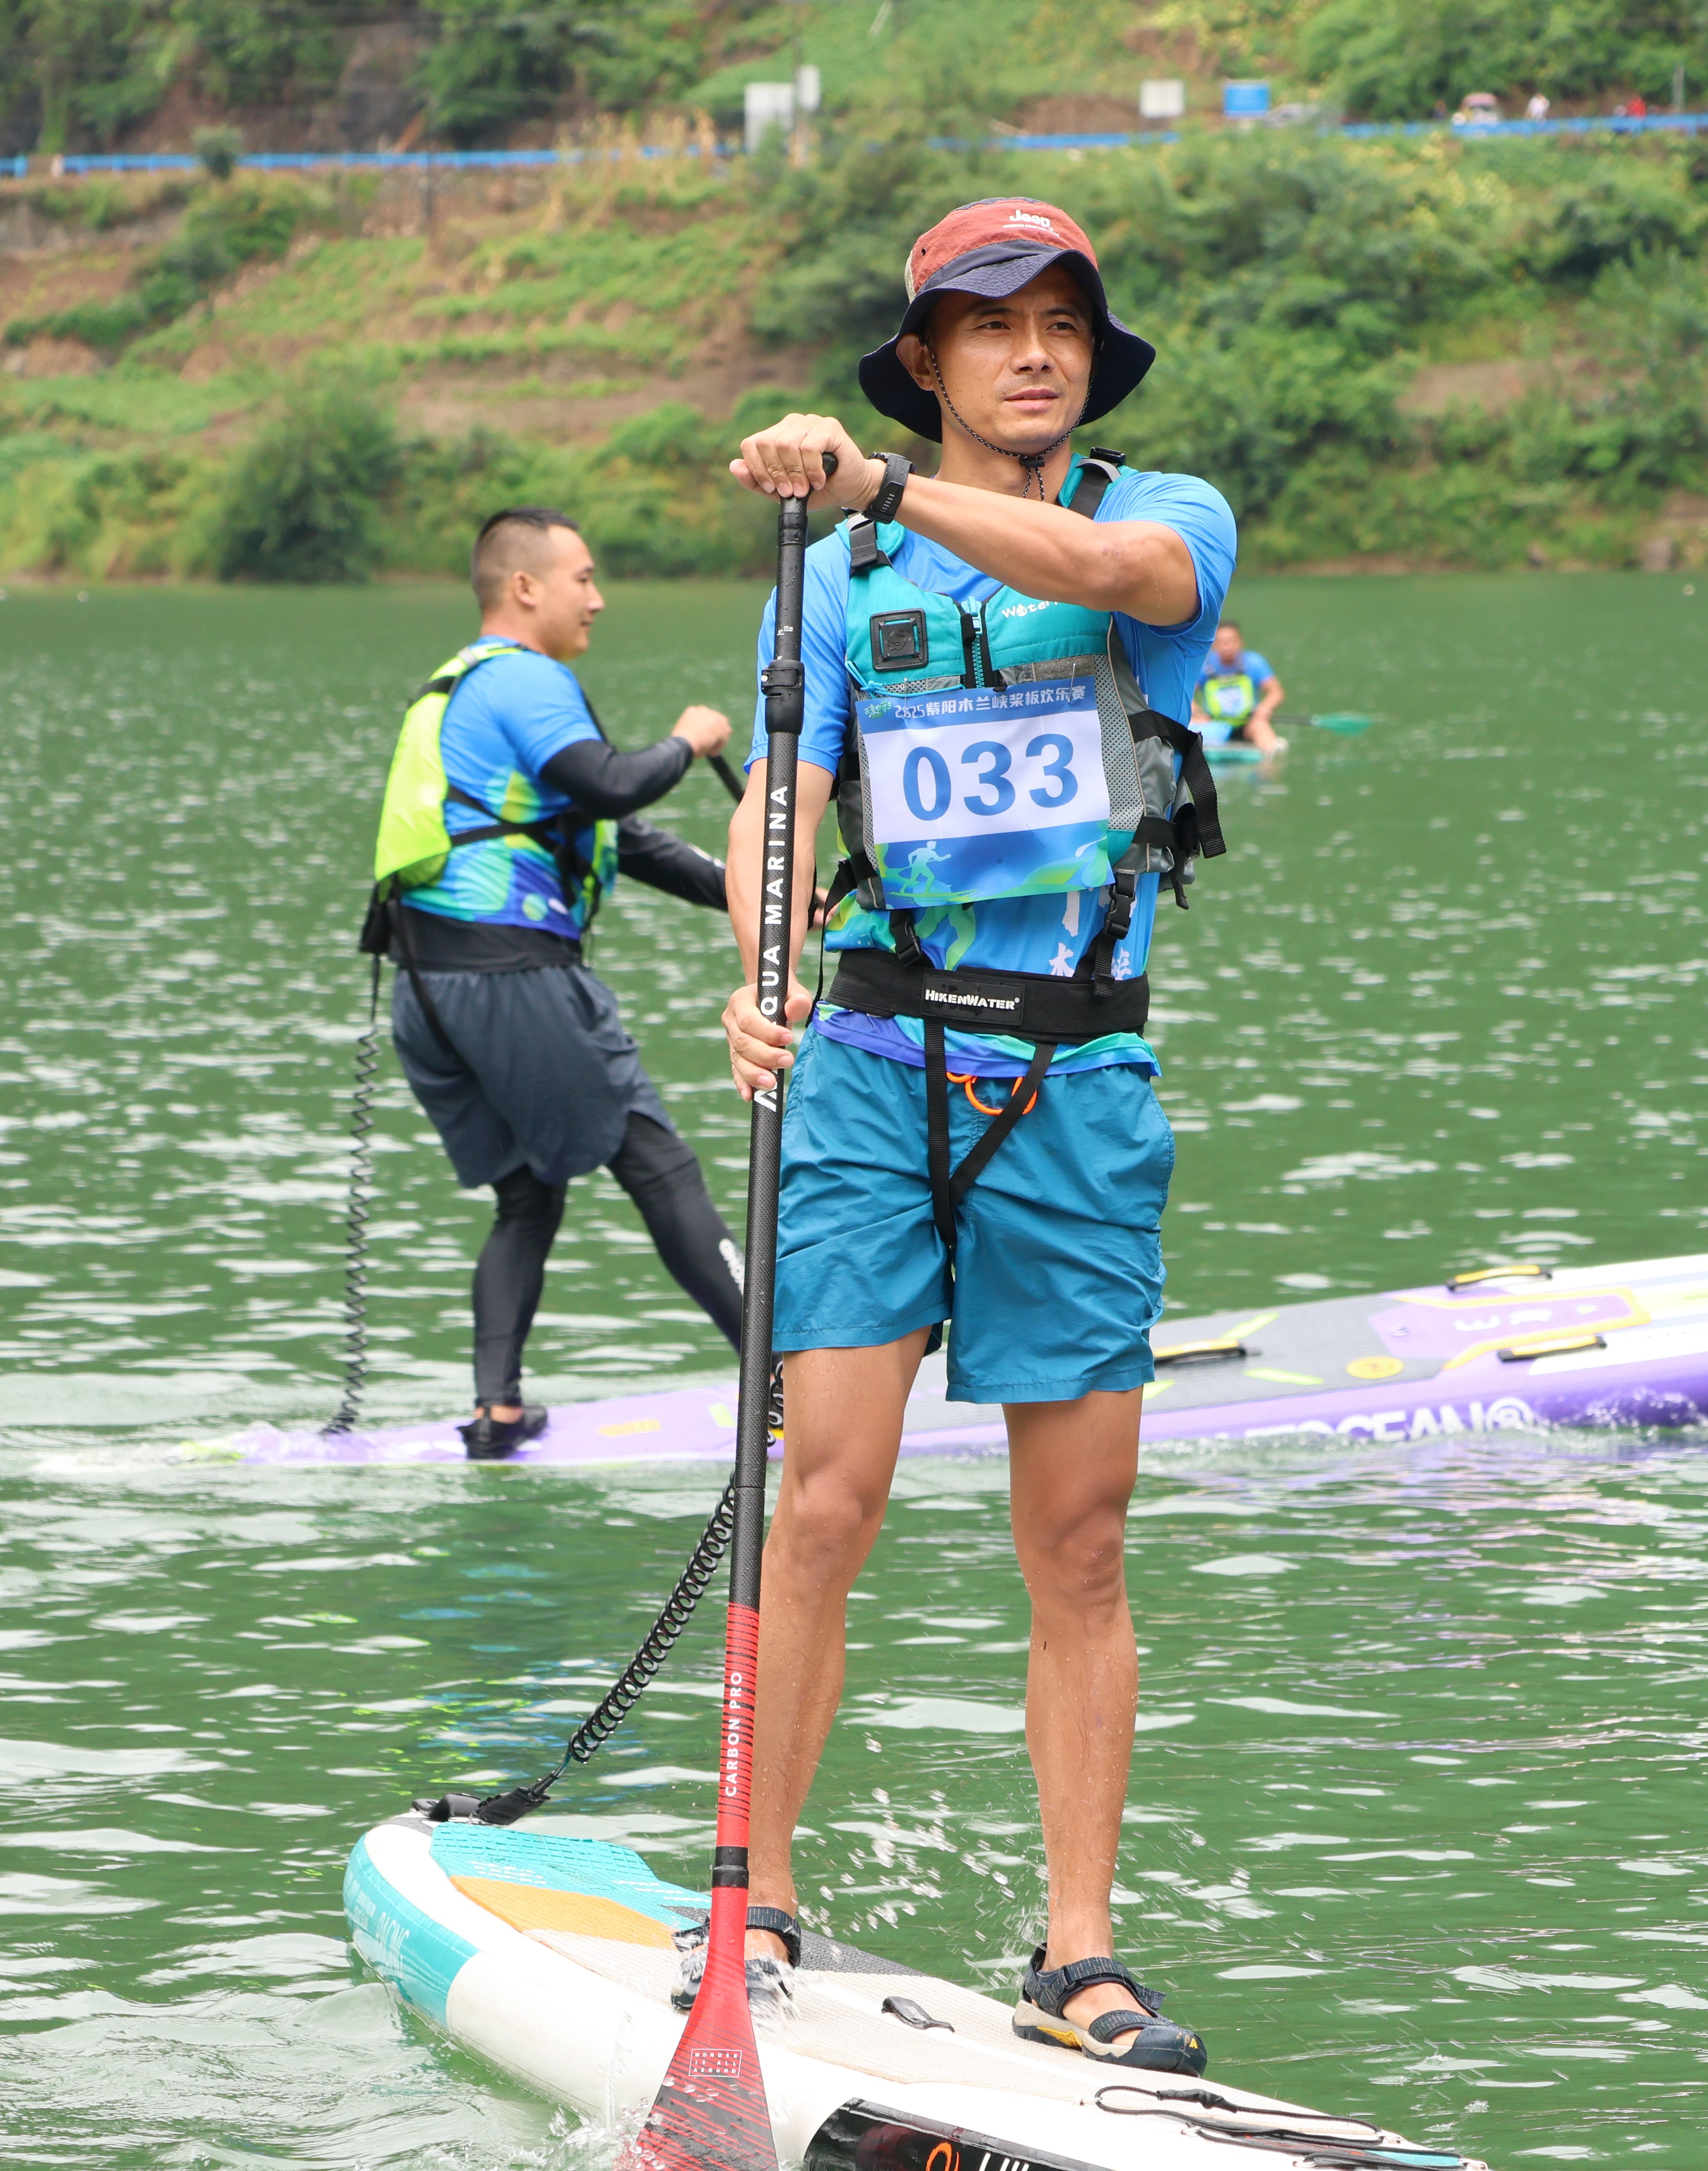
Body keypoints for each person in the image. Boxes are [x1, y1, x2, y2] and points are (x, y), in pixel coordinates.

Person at [713, 196, 1234, 2074]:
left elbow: (1107, 571)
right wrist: (759, 959)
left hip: (1073, 1081)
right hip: (871, 1059)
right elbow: (784, 793)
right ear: (926, 360)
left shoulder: (1166, 516)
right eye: (995, 326)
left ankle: (1078, 1952)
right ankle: (755, 1889)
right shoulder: (835, 576)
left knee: (1078, 1542)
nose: (1035, 353)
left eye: (1064, 325)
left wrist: (876, 486)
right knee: (827, 1492)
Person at [365, 506, 750, 1459]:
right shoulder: (525, 678)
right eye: (583, 578)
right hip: (513, 979)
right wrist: (688, 741)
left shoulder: (462, 689)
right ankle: (784, 1372)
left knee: (529, 1195)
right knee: (659, 1164)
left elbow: (624, 838)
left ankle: (496, 1410)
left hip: (427, 992)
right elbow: (618, 784)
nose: (598, 598)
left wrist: (765, 895)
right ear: (525, 586)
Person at [1190, 618, 1285, 755]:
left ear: (1240, 642)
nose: (1227, 647)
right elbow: (1187, 695)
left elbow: (1275, 692)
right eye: (1222, 642)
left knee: (1260, 726)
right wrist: (1196, 712)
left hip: (1247, 724)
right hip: (1213, 723)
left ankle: (1271, 752)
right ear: (1214, 644)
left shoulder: (1254, 663)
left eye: (1231, 641)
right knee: (1191, 725)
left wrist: (1265, 708)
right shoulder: (1204, 665)